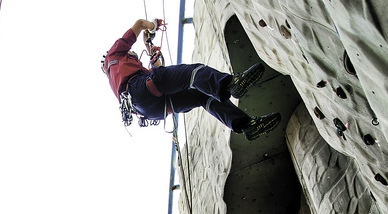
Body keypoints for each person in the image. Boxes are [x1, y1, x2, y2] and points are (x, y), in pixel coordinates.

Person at [103, 17, 281, 140]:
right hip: (141, 90)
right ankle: (231, 84)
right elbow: (140, 23)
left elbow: (158, 78)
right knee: (193, 73)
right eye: (133, 54)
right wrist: (152, 25)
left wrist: (151, 52)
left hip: (150, 109)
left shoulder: (120, 77)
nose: (134, 54)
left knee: (201, 95)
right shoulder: (115, 54)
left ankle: (246, 125)